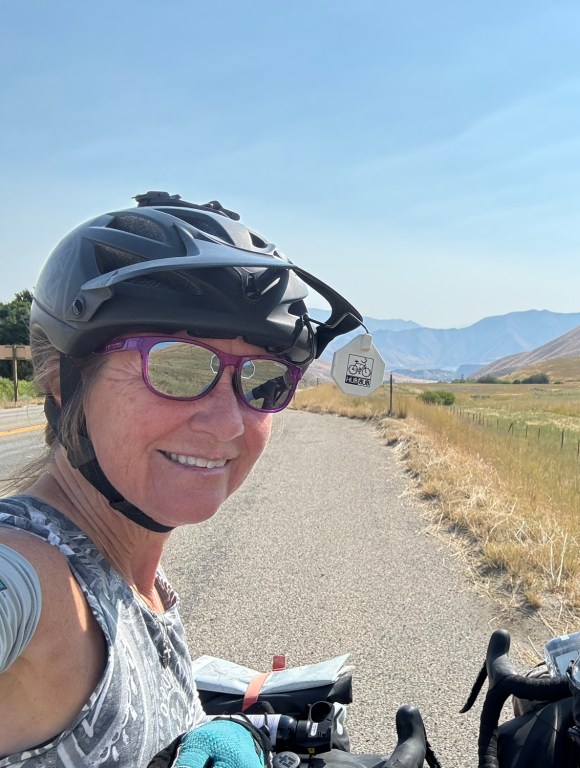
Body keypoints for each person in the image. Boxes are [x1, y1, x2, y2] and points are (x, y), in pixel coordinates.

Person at [0, 192, 363, 766]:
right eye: (177, 365)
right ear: (62, 379)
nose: (228, 424)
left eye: (263, 378)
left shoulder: (134, 574)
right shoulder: (36, 577)